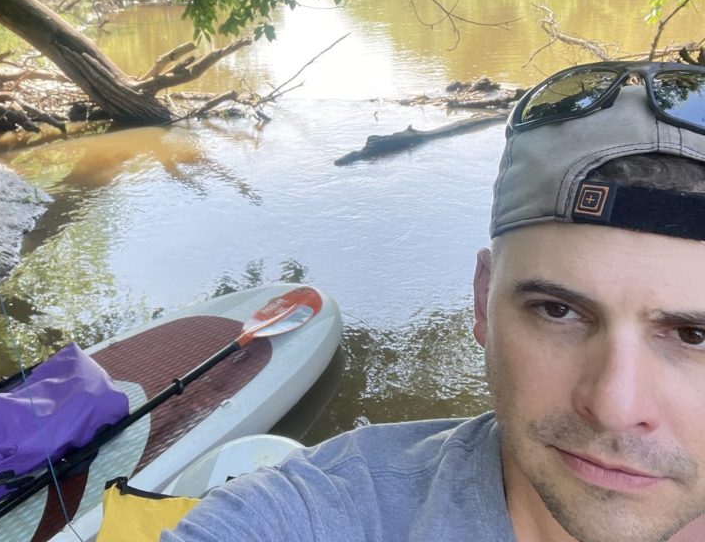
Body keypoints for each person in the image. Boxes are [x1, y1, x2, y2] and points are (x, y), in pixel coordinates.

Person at [163, 61, 705, 542]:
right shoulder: (329, 512)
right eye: (557, 311)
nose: (614, 406)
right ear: (482, 302)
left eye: (693, 335)